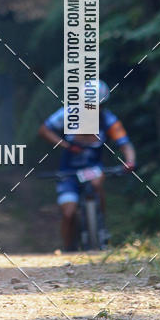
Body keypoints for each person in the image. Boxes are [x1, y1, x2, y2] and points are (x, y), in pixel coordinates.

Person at [38, 80, 135, 251]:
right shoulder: (68, 114)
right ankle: (68, 249)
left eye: (98, 105)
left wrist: (129, 161)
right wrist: (66, 145)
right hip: (68, 172)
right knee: (68, 213)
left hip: (93, 168)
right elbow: (44, 130)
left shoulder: (109, 120)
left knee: (97, 184)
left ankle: (101, 227)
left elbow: (125, 143)